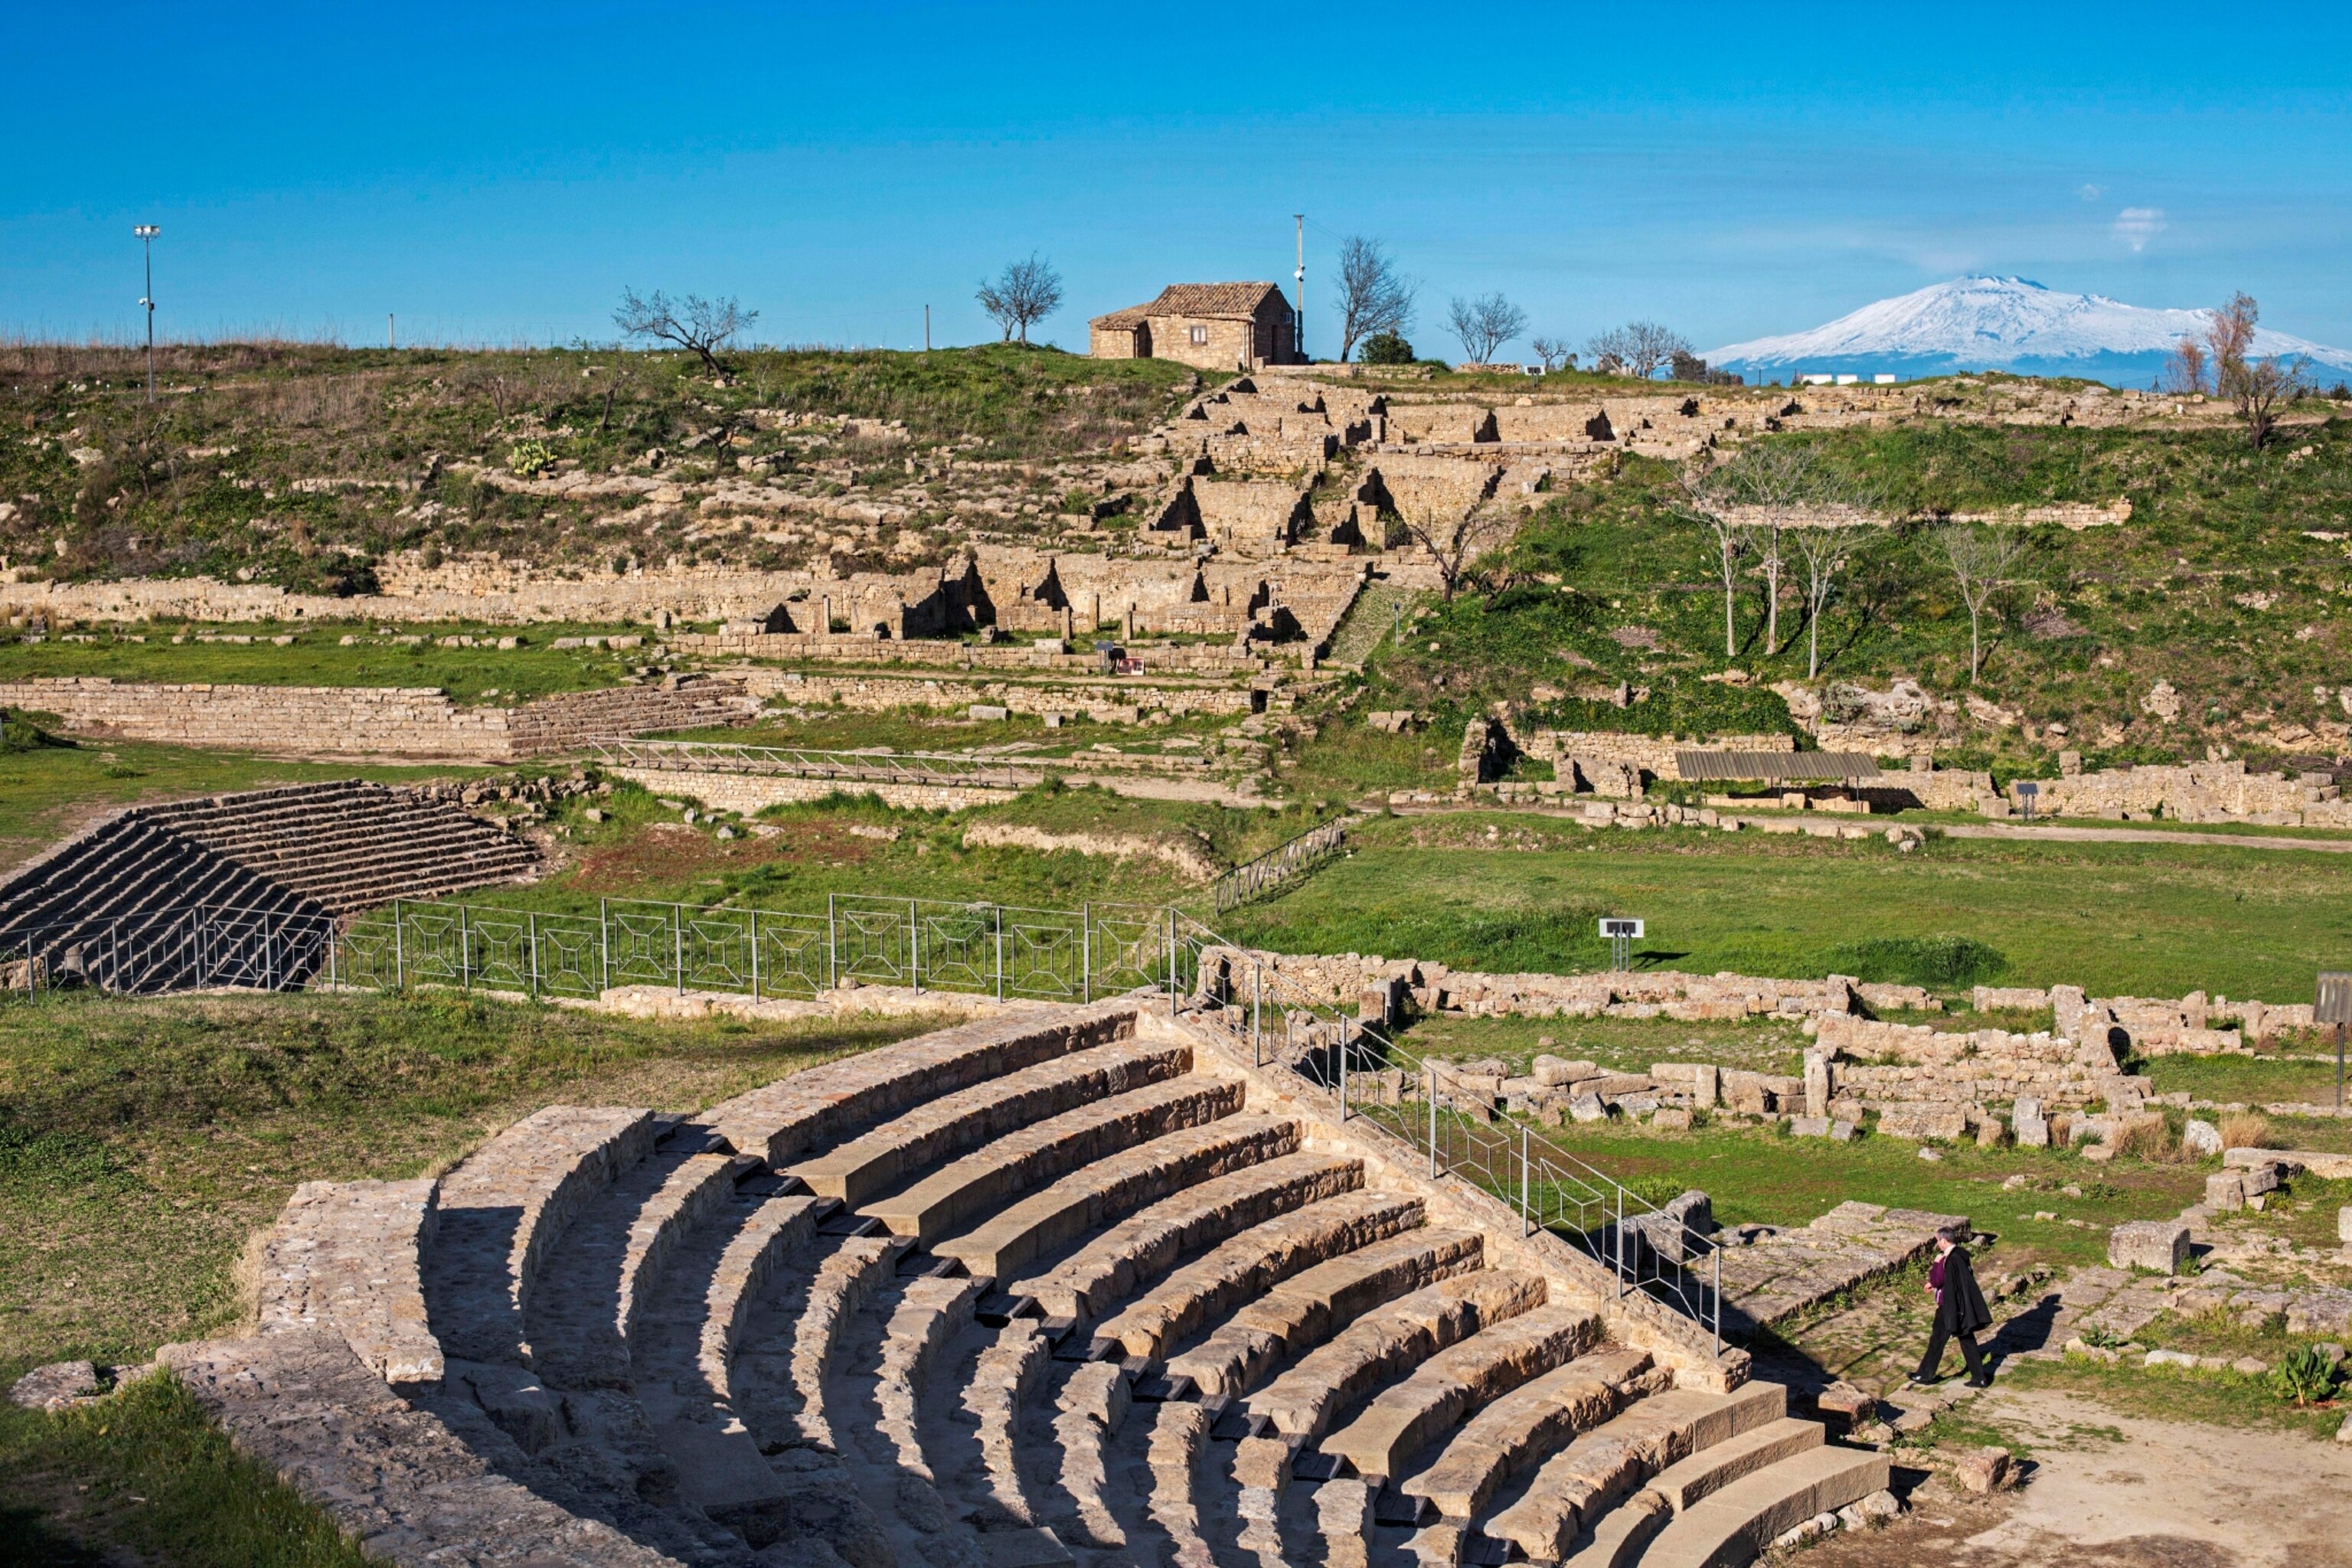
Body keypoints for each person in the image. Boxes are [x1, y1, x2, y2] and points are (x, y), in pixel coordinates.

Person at [1910, 1223, 1993, 1387]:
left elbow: (1938, 1280)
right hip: (1962, 1307)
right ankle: (1980, 1378)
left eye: (1938, 1241)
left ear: (1944, 1241)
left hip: (1950, 1307)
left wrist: (1936, 1264)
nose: (1937, 1244)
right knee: (1967, 1340)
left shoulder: (1949, 1259)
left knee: (1937, 1339)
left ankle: (1925, 1374)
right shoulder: (1961, 1255)